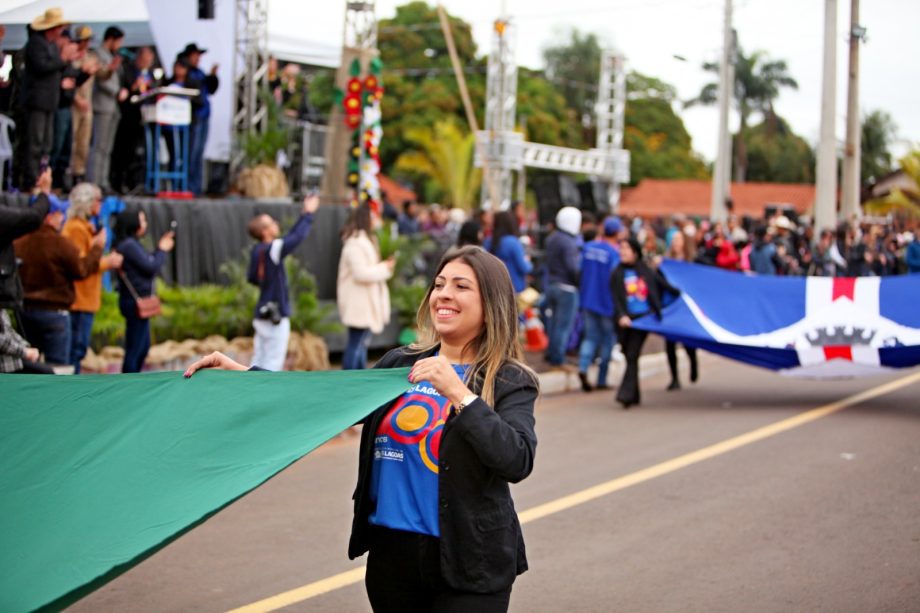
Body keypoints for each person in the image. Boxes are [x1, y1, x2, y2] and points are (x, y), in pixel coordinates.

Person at [184, 245, 539, 612]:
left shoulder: (510, 379)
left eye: (461, 286)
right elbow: (329, 403)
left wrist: (457, 392)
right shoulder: (401, 363)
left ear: (490, 305)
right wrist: (243, 377)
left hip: (470, 562)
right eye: (439, 284)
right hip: (393, 560)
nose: (444, 294)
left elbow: (516, 459)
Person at [14, 192, 105, 365]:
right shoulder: (59, 243)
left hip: (24, 312)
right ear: (49, 217)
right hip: (54, 312)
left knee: (29, 365)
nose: (62, 218)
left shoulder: (19, 241)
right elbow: (81, 269)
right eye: (59, 214)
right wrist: (97, 249)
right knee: (59, 367)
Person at [246, 194, 319, 371]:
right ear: (265, 232)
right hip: (274, 317)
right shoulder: (272, 249)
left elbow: (251, 278)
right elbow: (296, 237)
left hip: (262, 314)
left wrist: (303, 214)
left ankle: (248, 394)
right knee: (272, 364)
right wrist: (308, 213)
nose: (276, 224)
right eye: (271, 223)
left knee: (258, 361)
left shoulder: (257, 250)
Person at [61, 182, 123, 372]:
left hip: (85, 299)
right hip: (79, 300)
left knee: (78, 350)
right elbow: (81, 266)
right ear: (87, 202)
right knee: (75, 351)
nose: (101, 204)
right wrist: (106, 261)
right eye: (98, 200)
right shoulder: (76, 229)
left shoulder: (85, 227)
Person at [611, 237, 676, 409]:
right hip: (626, 321)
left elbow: (664, 285)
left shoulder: (645, 270)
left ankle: (625, 394)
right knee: (629, 355)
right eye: (621, 248)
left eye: (626, 248)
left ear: (635, 252)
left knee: (632, 354)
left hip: (643, 320)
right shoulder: (616, 273)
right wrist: (621, 315)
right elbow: (616, 298)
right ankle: (635, 394)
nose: (622, 252)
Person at [21, 8, 76, 190]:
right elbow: (42, 67)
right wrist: (63, 59)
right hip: (36, 101)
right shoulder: (35, 44)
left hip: (49, 101)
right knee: (35, 143)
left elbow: (54, 69)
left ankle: (42, 178)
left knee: (47, 143)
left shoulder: (51, 45)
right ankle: (31, 180)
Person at [113, 209, 174, 373]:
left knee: (143, 347)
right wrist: (162, 249)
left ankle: (133, 380)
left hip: (137, 302)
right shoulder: (129, 245)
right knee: (135, 349)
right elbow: (151, 266)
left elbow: (148, 263)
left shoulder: (131, 244)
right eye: (142, 220)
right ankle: (129, 384)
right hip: (134, 303)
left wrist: (159, 250)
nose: (145, 223)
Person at [337, 204, 395, 370]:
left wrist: (384, 267)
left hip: (364, 302)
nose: (377, 219)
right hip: (359, 303)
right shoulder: (355, 243)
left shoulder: (365, 241)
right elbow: (360, 273)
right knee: (356, 345)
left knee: (360, 344)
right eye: (373, 216)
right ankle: (350, 381)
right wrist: (385, 267)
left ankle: (358, 378)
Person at [577, 217, 621, 392]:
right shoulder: (613, 254)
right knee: (607, 341)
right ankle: (602, 379)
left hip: (588, 298)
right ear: (616, 233)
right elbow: (616, 279)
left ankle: (583, 367)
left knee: (590, 337)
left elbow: (579, 269)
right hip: (607, 302)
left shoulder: (588, 249)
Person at [89, 26, 127, 191]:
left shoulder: (113, 56)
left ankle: (103, 180)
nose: (119, 45)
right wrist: (117, 91)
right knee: (99, 145)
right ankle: (94, 181)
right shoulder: (98, 54)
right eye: (118, 41)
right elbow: (102, 79)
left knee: (107, 148)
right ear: (110, 39)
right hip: (102, 104)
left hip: (113, 107)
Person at [543, 206, 582, 366]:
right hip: (567, 288)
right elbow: (573, 267)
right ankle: (558, 357)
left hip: (552, 284)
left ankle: (551, 352)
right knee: (563, 325)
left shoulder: (552, 238)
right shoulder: (568, 242)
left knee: (553, 323)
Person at [179, 43, 219, 196]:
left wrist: (213, 76)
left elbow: (211, 88)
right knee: (192, 152)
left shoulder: (199, 72)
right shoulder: (187, 72)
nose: (198, 58)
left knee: (199, 152)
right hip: (193, 117)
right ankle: (189, 186)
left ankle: (196, 188)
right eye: (195, 55)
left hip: (204, 116)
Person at [70, 25, 97, 185]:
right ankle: (68, 171)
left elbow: (102, 74)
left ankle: (79, 172)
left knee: (84, 140)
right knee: (71, 140)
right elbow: (69, 79)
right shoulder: (72, 57)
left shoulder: (91, 58)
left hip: (87, 104)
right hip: (74, 104)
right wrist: (76, 98)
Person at [484, 210, 532, 293]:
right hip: (514, 287)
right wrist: (528, 261)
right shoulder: (513, 242)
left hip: (493, 287)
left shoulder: (488, 241)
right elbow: (524, 267)